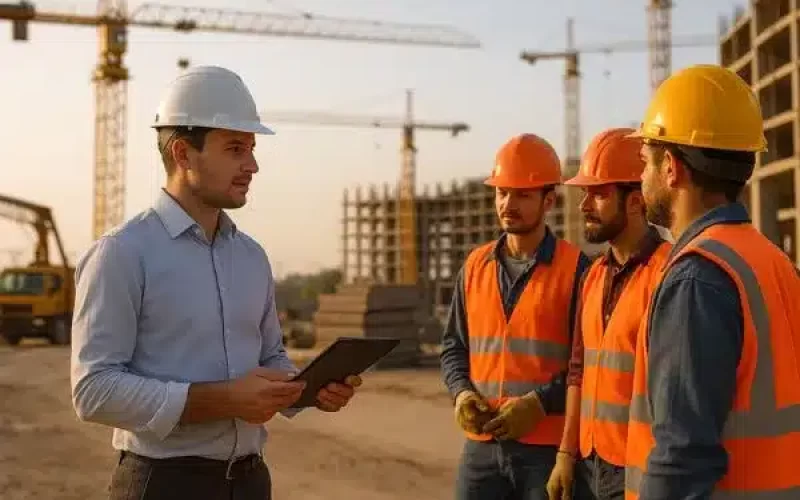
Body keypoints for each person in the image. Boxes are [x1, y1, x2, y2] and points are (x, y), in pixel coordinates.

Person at [70, 65, 361, 500]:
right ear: (184, 153)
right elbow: (93, 391)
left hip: (249, 482)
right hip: (163, 485)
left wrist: (305, 389)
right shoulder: (122, 253)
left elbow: (271, 355)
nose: (253, 165)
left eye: (252, 149)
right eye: (236, 149)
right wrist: (223, 400)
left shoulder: (252, 257)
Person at [624, 64, 800, 499]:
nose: (640, 178)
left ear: (670, 168)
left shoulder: (696, 279)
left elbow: (680, 464)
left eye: (645, 161)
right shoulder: (774, 261)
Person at [440, 133, 591, 500]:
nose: (509, 203)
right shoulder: (475, 266)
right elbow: (453, 348)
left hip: (548, 451)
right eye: (502, 192)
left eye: (522, 194)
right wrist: (461, 394)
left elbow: (589, 363)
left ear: (549, 201)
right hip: (482, 449)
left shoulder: (577, 269)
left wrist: (540, 403)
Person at [544, 128, 671, 500]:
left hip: (639, 466)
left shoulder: (668, 274)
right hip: (589, 461)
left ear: (635, 202)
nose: (584, 206)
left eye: (598, 194)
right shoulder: (593, 276)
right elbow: (577, 371)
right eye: (585, 193)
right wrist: (566, 453)